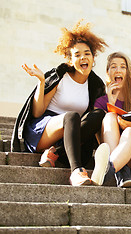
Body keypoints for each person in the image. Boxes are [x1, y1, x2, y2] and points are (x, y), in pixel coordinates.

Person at [11, 20, 108, 186]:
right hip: (44, 130)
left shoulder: (95, 85)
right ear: (70, 59)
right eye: (77, 55)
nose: (83, 57)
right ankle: (76, 172)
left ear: (93, 58)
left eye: (87, 53)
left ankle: (55, 152)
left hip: (70, 133)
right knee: (71, 117)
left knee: (98, 115)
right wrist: (41, 83)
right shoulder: (60, 77)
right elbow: (37, 112)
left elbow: (92, 122)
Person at [93, 52, 131, 187]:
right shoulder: (100, 102)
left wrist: (129, 125)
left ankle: (107, 171)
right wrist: (111, 103)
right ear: (107, 72)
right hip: (115, 148)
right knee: (110, 116)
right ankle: (122, 172)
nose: (118, 70)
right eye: (113, 67)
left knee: (129, 133)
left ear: (128, 72)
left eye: (123, 67)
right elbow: (101, 134)